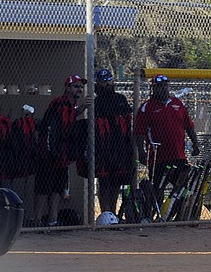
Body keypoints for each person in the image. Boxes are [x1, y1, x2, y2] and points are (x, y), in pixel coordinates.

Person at [31, 74, 84, 227]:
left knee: (57, 189)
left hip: (62, 156)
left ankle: (52, 220)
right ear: (67, 88)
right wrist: (50, 151)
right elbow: (52, 129)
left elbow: (72, 117)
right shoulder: (59, 104)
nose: (79, 89)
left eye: (80, 87)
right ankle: (37, 220)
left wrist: (84, 107)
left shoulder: (70, 106)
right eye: (75, 86)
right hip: (49, 155)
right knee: (43, 189)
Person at [134, 74, 199, 188]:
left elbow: (189, 126)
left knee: (181, 189)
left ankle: (178, 207)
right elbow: (139, 133)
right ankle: (156, 206)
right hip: (158, 158)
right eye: (159, 86)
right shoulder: (147, 107)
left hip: (178, 155)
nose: (163, 88)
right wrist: (141, 152)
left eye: (165, 85)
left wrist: (195, 144)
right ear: (153, 88)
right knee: (157, 189)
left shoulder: (178, 103)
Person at [89, 68, 134, 215]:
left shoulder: (120, 99)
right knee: (103, 181)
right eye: (103, 81)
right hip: (102, 146)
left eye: (109, 81)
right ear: (98, 83)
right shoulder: (96, 102)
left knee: (116, 181)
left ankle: (113, 213)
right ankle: (105, 212)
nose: (107, 84)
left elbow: (129, 121)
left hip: (119, 146)